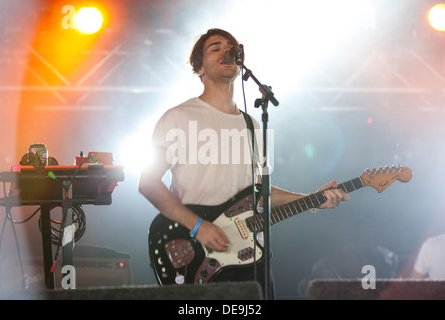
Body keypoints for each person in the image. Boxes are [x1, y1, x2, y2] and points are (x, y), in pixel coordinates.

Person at [138, 28, 349, 298]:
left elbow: (260, 193)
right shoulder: (176, 118)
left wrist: (312, 199)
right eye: (215, 47)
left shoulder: (253, 125)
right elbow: (148, 182)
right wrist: (197, 226)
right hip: (199, 252)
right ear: (199, 68)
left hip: (249, 256)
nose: (227, 50)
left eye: (232, 47)